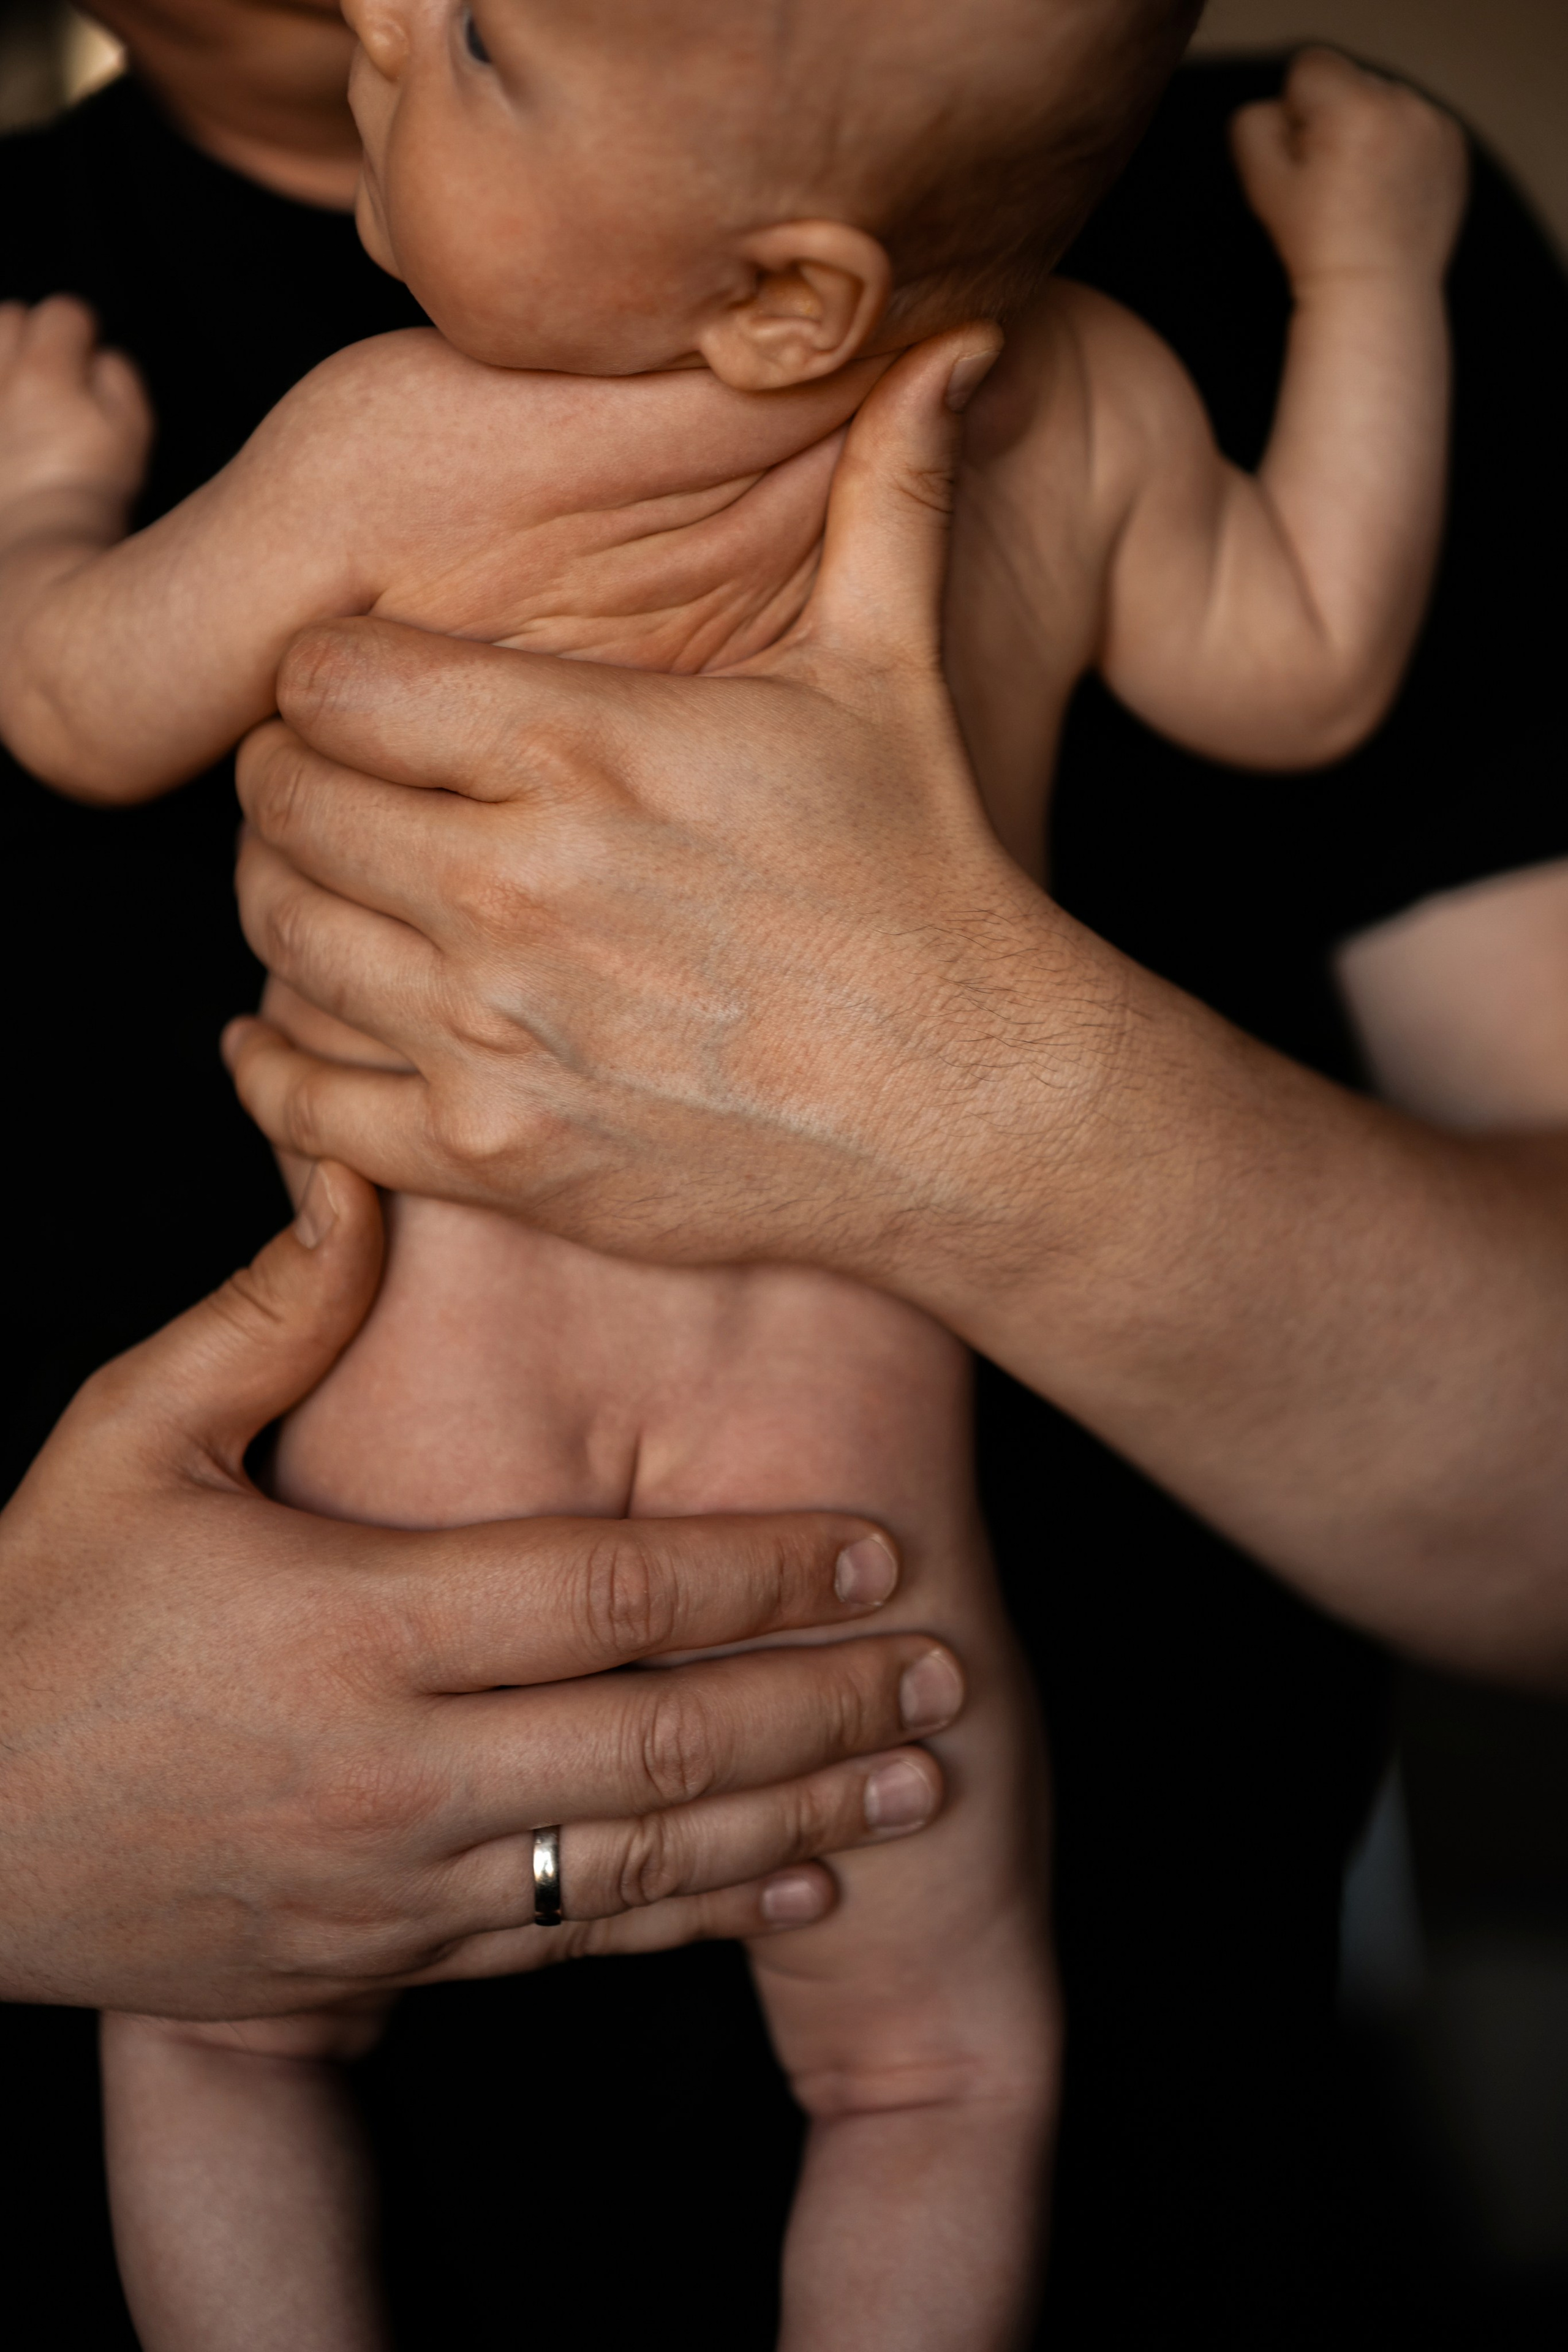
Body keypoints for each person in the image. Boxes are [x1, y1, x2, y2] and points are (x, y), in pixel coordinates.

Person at [2, 17, 1563, 2348]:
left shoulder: (396, 432)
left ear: (790, 303)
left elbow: (76, 700)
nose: (400, 17)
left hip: (404, 1468)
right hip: (847, 1518)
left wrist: (40, 500)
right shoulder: (1094, 394)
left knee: (226, 2034)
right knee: (938, 2080)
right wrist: (1369, 278)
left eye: (495, 47)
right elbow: (1313, 662)